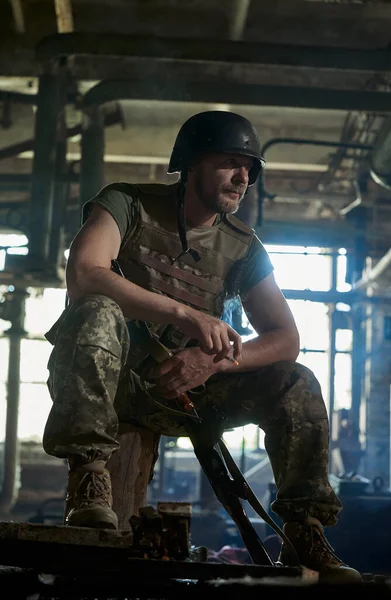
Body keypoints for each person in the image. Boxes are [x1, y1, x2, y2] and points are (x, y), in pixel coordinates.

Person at [42, 110, 361, 583]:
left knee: (297, 381)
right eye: (230, 162)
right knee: (95, 309)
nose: (243, 177)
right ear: (191, 163)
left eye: (249, 168)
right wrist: (183, 313)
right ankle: (89, 479)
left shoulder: (243, 247)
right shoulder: (127, 204)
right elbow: (86, 273)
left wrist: (213, 363)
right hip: (111, 387)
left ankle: (303, 530)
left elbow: (285, 339)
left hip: (187, 395)